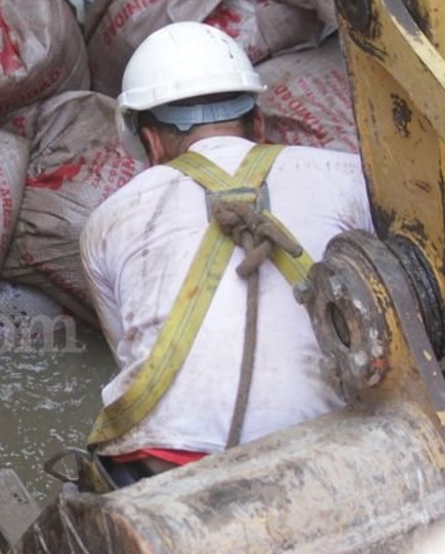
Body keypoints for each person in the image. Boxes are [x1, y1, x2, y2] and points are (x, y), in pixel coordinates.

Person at [79, 22, 373, 489]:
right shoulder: (348, 174)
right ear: (257, 122)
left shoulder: (108, 219)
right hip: (334, 453)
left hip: (173, 465)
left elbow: (131, 355)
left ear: (150, 142)